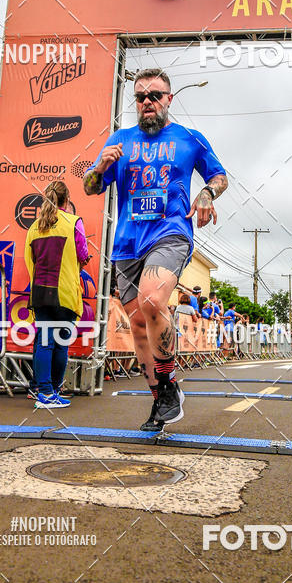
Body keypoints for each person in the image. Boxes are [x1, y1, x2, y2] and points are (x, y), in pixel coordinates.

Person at [83, 68, 227, 432]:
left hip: (170, 233)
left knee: (151, 302)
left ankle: (168, 384)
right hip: (127, 243)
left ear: (169, 100)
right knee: (137, 324)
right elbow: (89, 187)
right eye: (140, 97)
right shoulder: (120, 140)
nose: (147, 102)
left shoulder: (189, 139)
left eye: (155, 96)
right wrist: (101, 166)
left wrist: (207, 194)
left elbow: (220, 176)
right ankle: (162, 398)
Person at [24, 180, 89, 408]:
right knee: (61, 344)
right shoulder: (74, 223)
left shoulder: (33, 228)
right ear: (67, 200)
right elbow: (83, 255)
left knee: (44, 343)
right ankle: (53, 390)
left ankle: (43, 392)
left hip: (41, 293)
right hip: (66, 294)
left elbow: (28, 261)